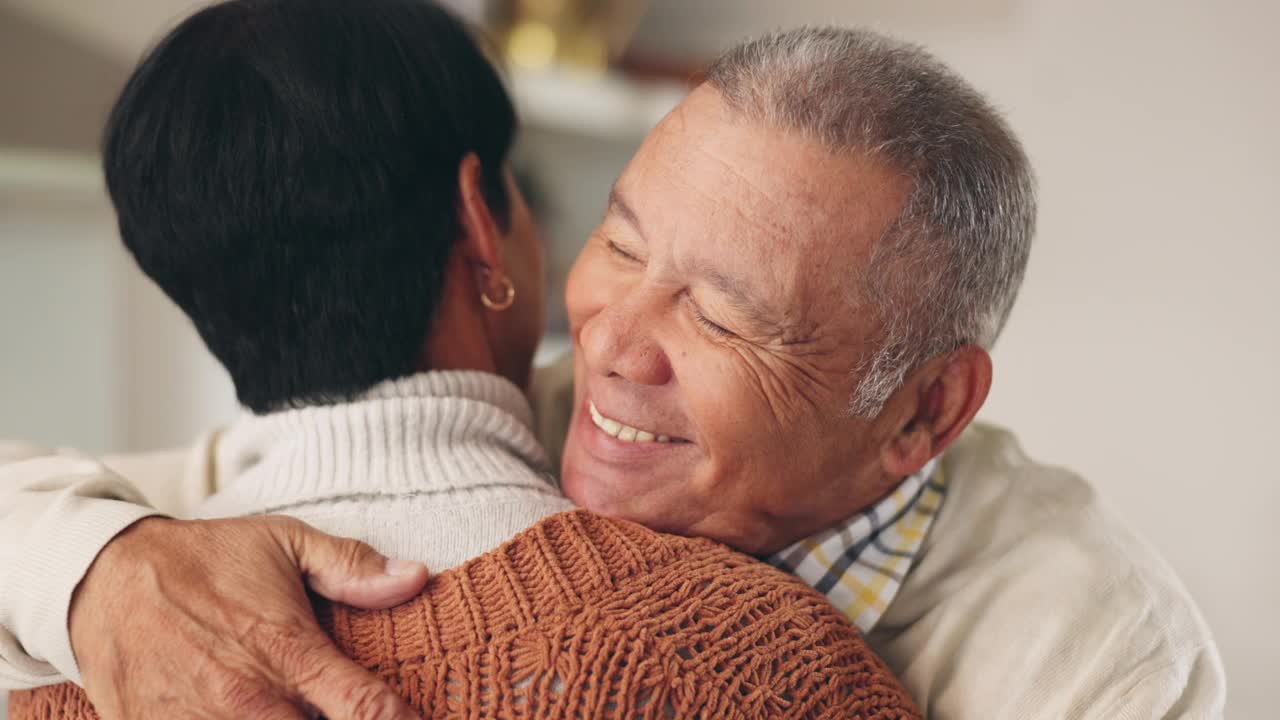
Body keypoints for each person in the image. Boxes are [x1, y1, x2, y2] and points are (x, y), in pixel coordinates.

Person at [2, 15, 1225, 720]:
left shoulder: (1100, 659)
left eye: (728, 318)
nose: (606, 343)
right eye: (619, 241)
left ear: (922, 409)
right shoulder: (525, 415)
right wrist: (102, 568)